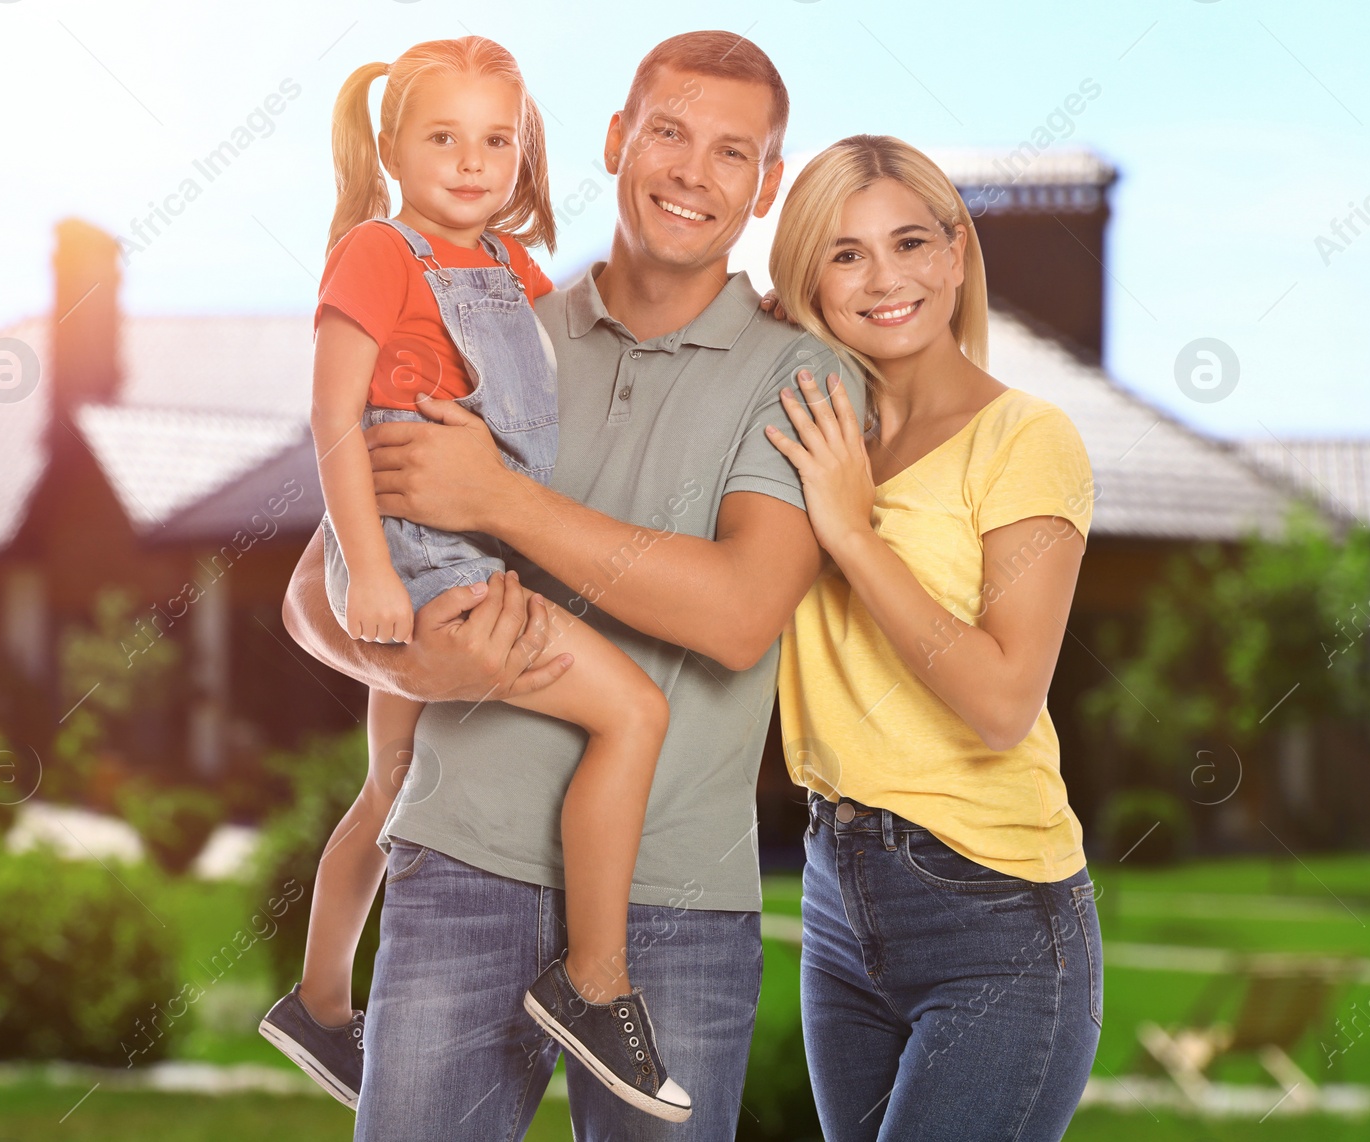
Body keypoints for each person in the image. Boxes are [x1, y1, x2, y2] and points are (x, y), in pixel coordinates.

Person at [282, 31, 862, 1142]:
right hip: (457, 867)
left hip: (680, 902)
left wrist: (497, 500)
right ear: (613, 139)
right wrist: (403, 656)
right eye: (668, 133)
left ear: (766, 185)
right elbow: (316, 589)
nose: (693, 172)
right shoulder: (492, 324)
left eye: (732, 153)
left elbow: (740, 615)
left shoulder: (803, 373)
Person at [257, 35, 690, 1122]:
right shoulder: (375, 251)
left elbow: (572, 368)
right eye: (442, 137)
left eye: (495, 140)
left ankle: (317, 1004)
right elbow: (336, 422)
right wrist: (367, 577)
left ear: (524, 154)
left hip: (471, 535)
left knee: (391, 786)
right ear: (394, 145)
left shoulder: (510, 267)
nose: (470, 161)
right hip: (413, 548)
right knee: (631, 710)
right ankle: (592, 982)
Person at [762, 134, 1102, 1140]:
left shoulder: (1026, 439)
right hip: (836, 889)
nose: (885, 278)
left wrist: (853, 538)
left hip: (994, 910)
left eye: (910, 242)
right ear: (807, 279)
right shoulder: (807, 432)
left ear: (956, 255)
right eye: (845, 252)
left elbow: (1003, 701)